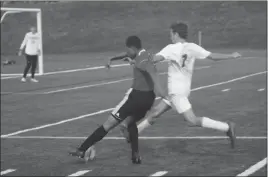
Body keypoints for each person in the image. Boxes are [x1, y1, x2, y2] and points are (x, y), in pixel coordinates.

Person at [120, 22, 241, 149]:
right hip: (182, 91)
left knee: (192, 120)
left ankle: (227, 127)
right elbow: (212, 56)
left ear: (176, 34)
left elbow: (152, 59)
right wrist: (231, 56)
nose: (170, 36)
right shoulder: (192, 47)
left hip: (176, 93)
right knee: (155, 113)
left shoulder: (171, 48)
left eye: (171, 34)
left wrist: (134, 60)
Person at [69, 36, 166, 164]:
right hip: (147, 100)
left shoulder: (143, 61)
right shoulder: (144, 54)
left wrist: (162, 94)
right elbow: (128, 55)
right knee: (131, 123)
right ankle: (135, 155)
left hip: (137, 97)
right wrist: (112, 58)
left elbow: (153, 73)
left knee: (109, 124)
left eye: (128, 50)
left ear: (133, 48)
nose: (127, 53)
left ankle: (82, 149)